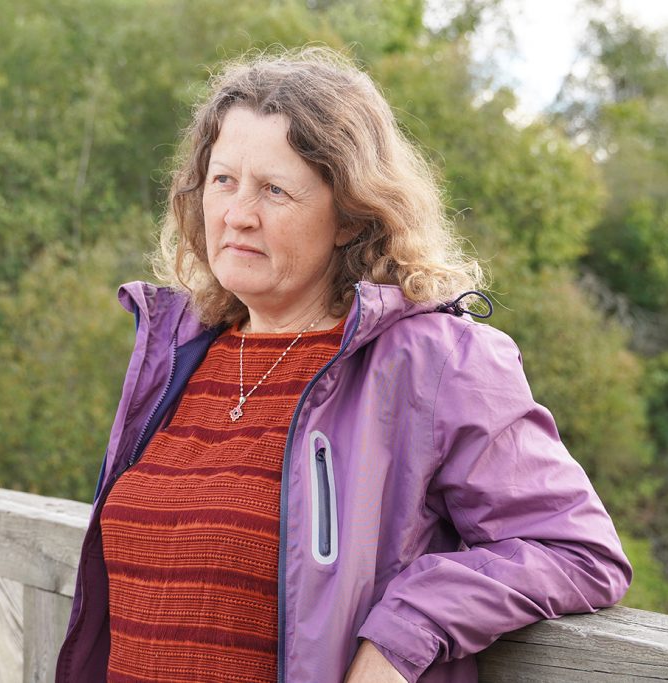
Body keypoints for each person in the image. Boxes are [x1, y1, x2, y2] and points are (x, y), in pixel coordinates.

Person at [55, 47, 631, 683]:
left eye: (274, 190)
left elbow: (575, 549)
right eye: (223, 181)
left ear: (350, 218)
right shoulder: (175, 354)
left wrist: (404, 632)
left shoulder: (433, 362)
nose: (238, 215)